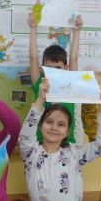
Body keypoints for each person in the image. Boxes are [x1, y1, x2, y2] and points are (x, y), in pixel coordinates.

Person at [27, 12, 83, 144]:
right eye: (49, 67)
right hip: (41, 142)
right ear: (43, 68)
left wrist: (76, 32)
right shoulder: (40, 84)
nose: (54, 71)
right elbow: (33, 58)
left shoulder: (71, 83)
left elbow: (74, 59)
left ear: (66, 67)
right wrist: (33, 28)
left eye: (58, 67)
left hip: (66, 143)